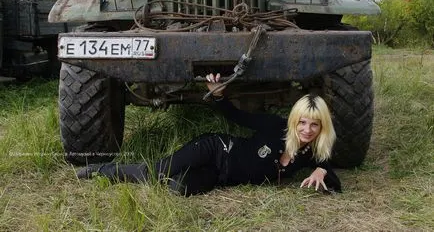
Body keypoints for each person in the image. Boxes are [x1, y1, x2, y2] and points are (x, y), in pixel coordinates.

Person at [76, 73, 341, 195]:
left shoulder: (311, 154)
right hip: (215, 149)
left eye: (314, 125)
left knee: (177, 188)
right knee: (156, 172)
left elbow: (334, 181)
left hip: (219, 177)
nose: (307, 130)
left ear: (321, 128)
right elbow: (237, 117)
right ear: (294, 121)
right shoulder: (275, 126)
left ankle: (176, 177)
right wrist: (217, 95)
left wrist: (323, 172)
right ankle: (102, 170)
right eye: (302, 123)